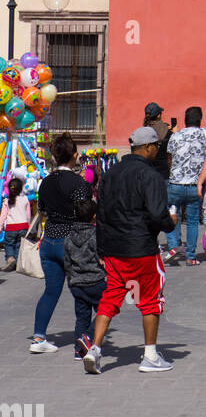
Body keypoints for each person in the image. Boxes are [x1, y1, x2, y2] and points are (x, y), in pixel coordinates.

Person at [83, 126, 175, 375]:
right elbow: (158, 214)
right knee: (150, 300)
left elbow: (100, 214)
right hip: (140, 248)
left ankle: (95, 349)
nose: (157, 149)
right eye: (156, 146)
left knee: (110, 298)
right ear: (147, 147)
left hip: (112, 249)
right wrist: (170, 224)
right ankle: (150, 355)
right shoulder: (150, 176)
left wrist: (101, 249)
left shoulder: (110, 174)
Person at [31, 133, 93, 353]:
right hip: (71, 240)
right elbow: (84, 212)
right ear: (74, 155)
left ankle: (38, 338)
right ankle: (81, 341)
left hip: (49, 240)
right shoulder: (79, 183)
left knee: (51, 290)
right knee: (80, 290)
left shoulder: (45, 182)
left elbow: (43, 210)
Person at [164, 106, 206, 265]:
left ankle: (173, 246)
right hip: (195, 186)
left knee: (172, 215)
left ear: (185, 120)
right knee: (192, 222)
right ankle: (191, 257)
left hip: (175, 184)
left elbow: (169, 156)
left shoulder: (175, 136)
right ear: (200, 120)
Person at [63, 197, 106, 359]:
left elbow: (67, 262)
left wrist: (71, 279)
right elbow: (102, 256)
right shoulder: (96, 235)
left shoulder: (68, 237)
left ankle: (79, 350)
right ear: (94, 216)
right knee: (105, 313)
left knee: (82, 317)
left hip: (77, 283)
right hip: (95, 281)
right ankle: (87, 337)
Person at [1, 172, 32, 271]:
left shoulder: (6, 201)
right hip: (23, 226)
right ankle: (17, 261)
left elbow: (3, 216)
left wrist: (0, 227)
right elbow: (28, 215)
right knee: (19, 244)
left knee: (9, 244)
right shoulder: (25, 199)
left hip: (11, 227)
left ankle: (10, 259)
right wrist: (29, 225)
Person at [143, 102, 173, 182]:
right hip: (163, 174)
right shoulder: (167, 131)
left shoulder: (142, 131)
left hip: (147, 173)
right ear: (159, 115)